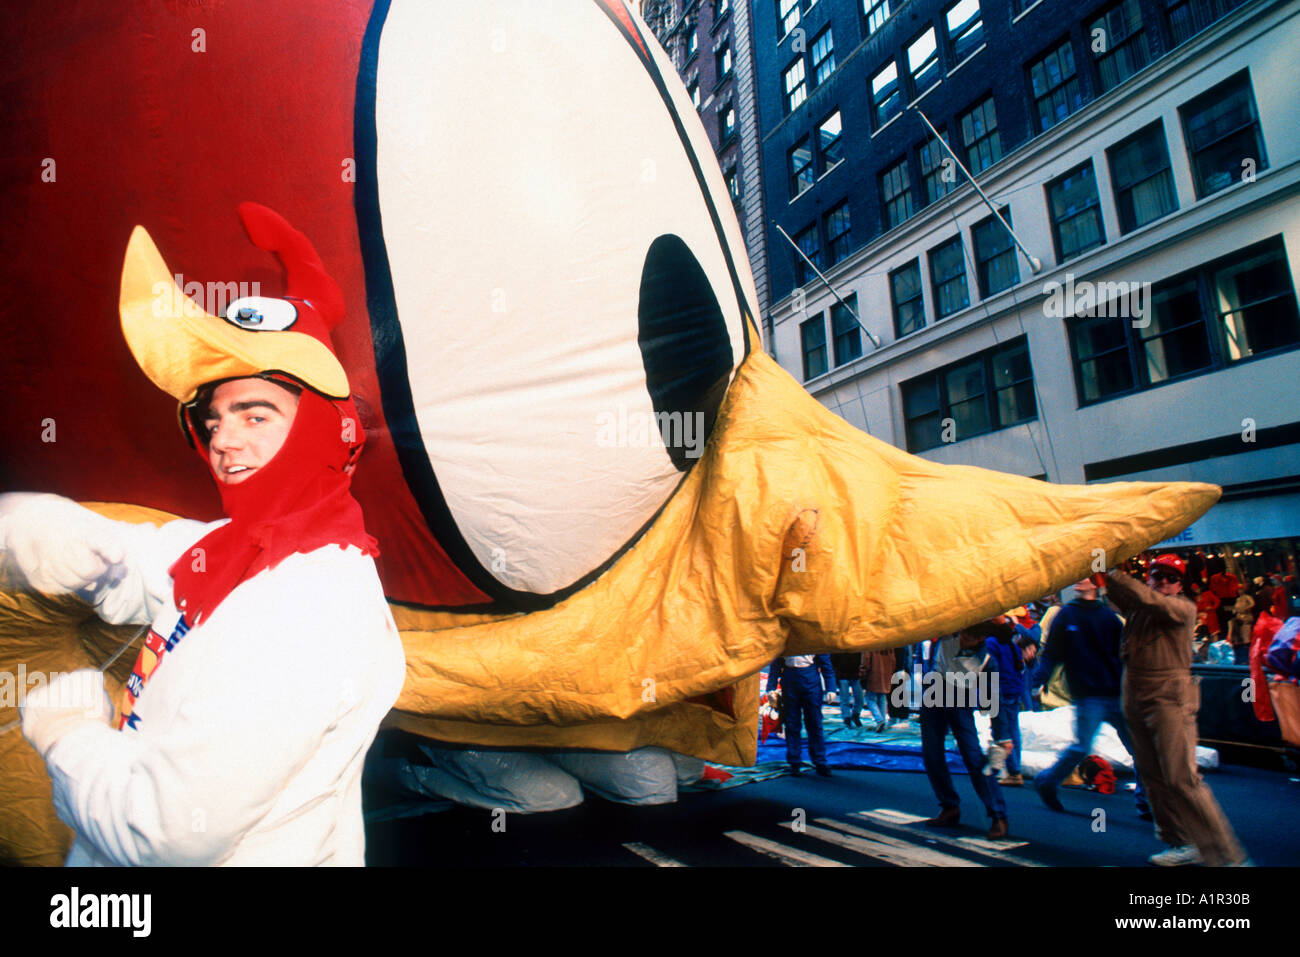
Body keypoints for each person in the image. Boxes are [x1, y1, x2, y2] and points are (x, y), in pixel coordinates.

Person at [8, 203, 406, 866]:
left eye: (256, 414)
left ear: (321, 428)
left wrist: (68, 736)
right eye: (211, 419)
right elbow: (143, 561)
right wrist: (48, 536)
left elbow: (166, 834)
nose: (224, 440)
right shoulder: (244, 545)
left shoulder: (306, 609)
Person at [1106, 556, 1250, 867]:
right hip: (1135, 692)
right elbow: (1122, 594)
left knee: (1181, 777)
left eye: (1171, 578)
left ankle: (1226, 857)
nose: (1163, 582)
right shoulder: (1141, 608)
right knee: (1152, 774)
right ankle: (1181, 841)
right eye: (1157, 576)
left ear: (1180, 585)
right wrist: (1097, 564)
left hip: (1168, 696)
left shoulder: (1181, 608)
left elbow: (1140, 595)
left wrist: (1107, 566)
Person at [1029, 577, 1149, 818]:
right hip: (1090, 694)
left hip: (1113, 692)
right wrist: (1036, 680)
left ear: (1095, 584)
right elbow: (1052, 653)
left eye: (1085, 578)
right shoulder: (1066, 616)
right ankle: (1047, 780)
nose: (1078, 582)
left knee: (1139, 749)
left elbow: (1124, 655)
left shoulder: (1108, 618)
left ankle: (1145, 802)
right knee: (1083, 746)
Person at [918, 626, 1009, 840]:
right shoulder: (947, 632)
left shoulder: (985, 660)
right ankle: (949, 806)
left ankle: (997, 814)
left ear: (980, 638)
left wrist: (1002, 736)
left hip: (960, 703)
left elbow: (994, 700)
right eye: (962, 635)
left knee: (973, 757)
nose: (962, 640)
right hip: (933, 699)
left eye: (967, 638)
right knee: (932, 756)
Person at [766, 653, 836, 776]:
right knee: (791, 723)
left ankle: (820, 761)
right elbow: (776, 663)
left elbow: (826, 663)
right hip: (790, 678)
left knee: (814, 722)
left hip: (810, 678)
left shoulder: (814, 639)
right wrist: (771, 687)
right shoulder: (787, 640)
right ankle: (794, 761)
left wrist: (831, 688)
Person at [859, 647, 894, 731]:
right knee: (882, 698)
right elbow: (893, 661)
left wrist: (862, 674)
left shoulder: (870, 644)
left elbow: (865, 662)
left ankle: (879, 720)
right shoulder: (889, 646)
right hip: (886, 674)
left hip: (873, 675)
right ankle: (882, 722)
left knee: (870, 699)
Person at [830, 652, 865, 727]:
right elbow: (833, 660)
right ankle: (847, 718)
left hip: (854, 674)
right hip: (843, 674)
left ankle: (855, 715)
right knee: (845, 698)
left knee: (859, 698)